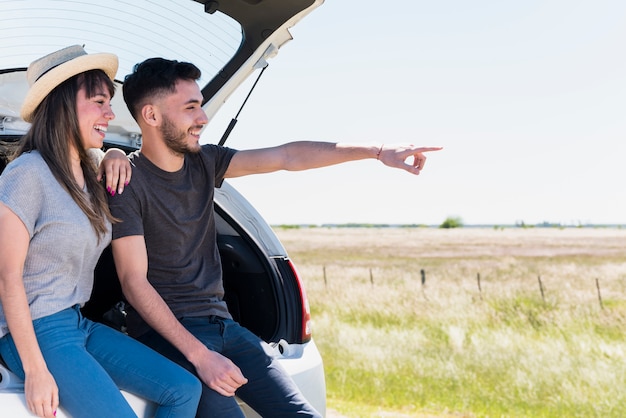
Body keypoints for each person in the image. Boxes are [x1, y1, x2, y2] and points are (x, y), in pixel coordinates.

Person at [109, 57, 442, 418]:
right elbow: (133, 282)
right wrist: (201, 357)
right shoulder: (126, 183)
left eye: (201, 106)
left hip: (226, 326)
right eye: (191, 108)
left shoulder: (206, 162)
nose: (203, 118)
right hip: (170, 337)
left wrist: (377, 152)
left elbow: (287, 155)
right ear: (152, 116)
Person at [0, 46, 202, 418]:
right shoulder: (26, 174)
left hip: (77, 322)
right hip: (35, 331)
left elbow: (105, 159)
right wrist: (35, 370)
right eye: (99, 101)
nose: (110, 113)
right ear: (62, 105)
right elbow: (7, 277)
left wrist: (115, 154)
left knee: (183, 389)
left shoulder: (87, 170)